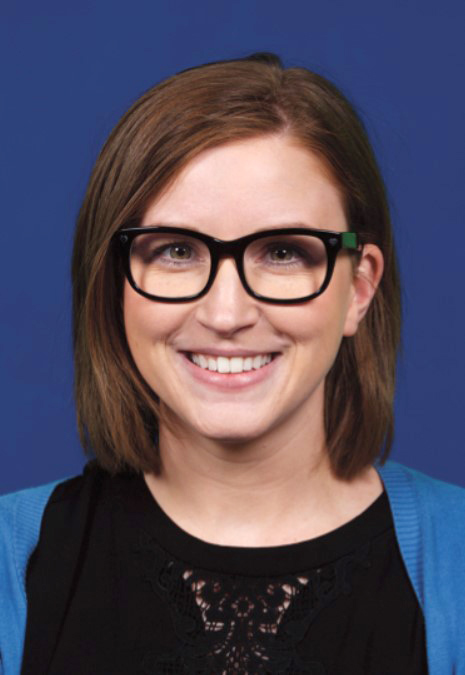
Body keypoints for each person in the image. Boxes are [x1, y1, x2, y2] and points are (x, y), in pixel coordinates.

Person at [1, 52, 464, 675]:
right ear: (115, 286)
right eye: (175, 250)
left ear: (358, 289)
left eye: (281, 252)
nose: (226, 313)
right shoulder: (12, 558)